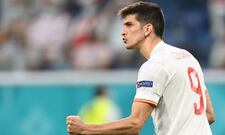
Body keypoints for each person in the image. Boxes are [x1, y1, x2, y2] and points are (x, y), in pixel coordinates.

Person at [66, 1, 215, 135]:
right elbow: (209, 115)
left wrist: (85, 128)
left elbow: (135, 124)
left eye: (129, 25)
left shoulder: (154, 65)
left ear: (147, 29)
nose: (123, 31)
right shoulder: (188, 57)